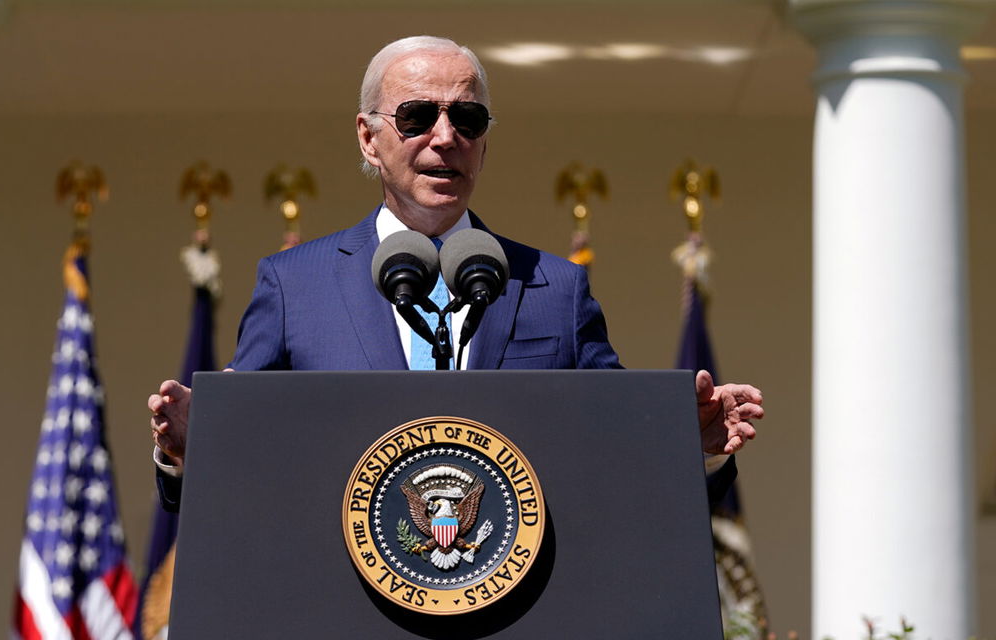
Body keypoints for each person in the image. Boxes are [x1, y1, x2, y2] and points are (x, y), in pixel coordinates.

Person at [148, 36, 763, 510]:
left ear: (485, 142)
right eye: (416, 116)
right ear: (368, 138)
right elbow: (238, 464)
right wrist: (189, 448)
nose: (446, 137)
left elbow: (620, 450)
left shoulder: (553, 288)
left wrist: (695, 447)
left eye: (467, 119)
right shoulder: (294, 286)